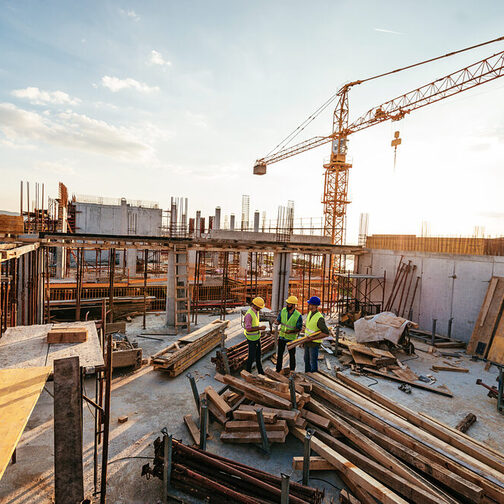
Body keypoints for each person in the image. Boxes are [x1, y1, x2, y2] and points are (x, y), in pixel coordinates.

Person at [273, 295, 302, 373]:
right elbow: (279, 319)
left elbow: (299, 328)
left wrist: (291, 331)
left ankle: (292, 371)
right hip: (282, 337)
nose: (287, 305)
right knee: (280, 355)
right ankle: (278, 370)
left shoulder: (298, 315)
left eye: (289, 304)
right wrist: (277, 322)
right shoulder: (283, 311)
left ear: (293, 305)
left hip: (291, 338)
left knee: (292, 356)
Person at [304, 296, 330, 373]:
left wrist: (312, 338)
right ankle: (307, 375)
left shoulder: (319, 318)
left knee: (313, 362)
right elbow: (310, 328)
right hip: (307, 341)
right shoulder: (310, 313)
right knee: (306, 360)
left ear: (315, 306)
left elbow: (326, 333)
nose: (308, 305)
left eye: (310, 304)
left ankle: (314, 377)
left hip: (314, 343)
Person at [244, 297, 267, 374]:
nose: (260, 308)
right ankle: (248, 372)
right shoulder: (249, 315)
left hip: (257, 337)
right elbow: (248, 329)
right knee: (251, 357)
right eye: (260, 307)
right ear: (255, 305)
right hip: (251, 339)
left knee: (258, 356)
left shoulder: (256, 312)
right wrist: (260, 328)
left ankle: (260, 371)